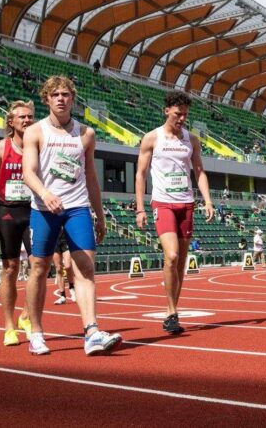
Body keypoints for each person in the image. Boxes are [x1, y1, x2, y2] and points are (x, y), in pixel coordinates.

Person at [21, 75, 121, 356]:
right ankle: (37, 332)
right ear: (47, 99)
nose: (61, 99)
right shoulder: (35, 132)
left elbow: (91, 177)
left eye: (66, 94)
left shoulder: (86, 134)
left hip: (77, 208)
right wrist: (45, 194)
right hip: (44, 209)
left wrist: (100, 215)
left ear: (73, 99)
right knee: (39, 267)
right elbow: (28, 172)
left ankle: (91, 332)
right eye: (56, 95)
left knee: (86, 268)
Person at [134, 91, 215, 335]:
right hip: (163, 203)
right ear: (166, 111)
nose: (181, 119)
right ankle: (171, 311)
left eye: (185, 115)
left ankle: (173, 310)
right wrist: (140, 208)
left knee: (180, 263)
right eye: (178, 114)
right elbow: (140, 174)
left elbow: (199, 172)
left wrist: (208, 201)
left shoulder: (191, 140)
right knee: (171, 255)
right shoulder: (151, 138)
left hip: (186, 203)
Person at [0, 100, 35, 344]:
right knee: (10, 268)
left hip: (34, 210)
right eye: (22, 117)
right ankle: (8, 327)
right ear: (11, 121)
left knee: (39, 265)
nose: (26, 120)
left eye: (30, 117)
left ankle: (26, 315)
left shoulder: (39, 147)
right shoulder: (0, 149)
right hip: (7, 212)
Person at [52, 231, 73, 304]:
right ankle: (62, 296)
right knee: (58, 269)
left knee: (68, 266)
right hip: (54, 240)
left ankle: (72, 287)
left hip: (65, 239)